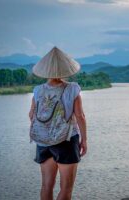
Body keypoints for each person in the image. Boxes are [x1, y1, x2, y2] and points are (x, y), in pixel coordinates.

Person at [28, 47, 87, 200]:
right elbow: (80, 116)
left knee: (46, 185)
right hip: (66, 141)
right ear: (66, 69)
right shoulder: (72, 88)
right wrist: (84, 140)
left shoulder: (37, 90)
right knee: (66, 189)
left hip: (42, 141)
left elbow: (31, 115)